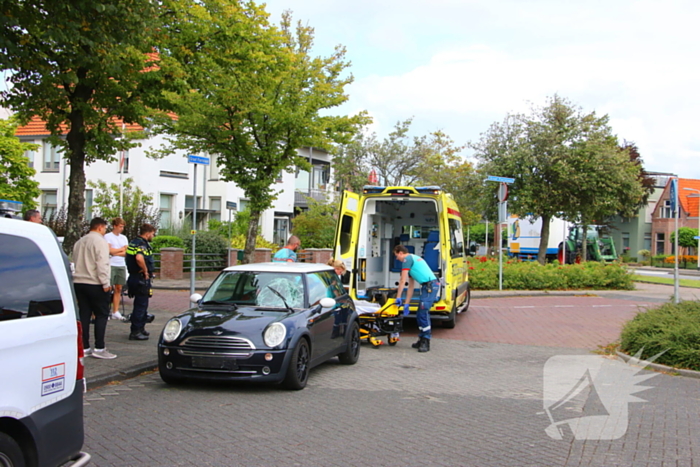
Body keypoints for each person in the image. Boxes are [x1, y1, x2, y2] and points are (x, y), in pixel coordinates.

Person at [73, 217, 117, 359]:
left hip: (79, 282)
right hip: (95, 283)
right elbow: (102, 263)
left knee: (84, 314)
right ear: (99, 227)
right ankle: (99, 347)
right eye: (104, 228)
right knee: (101, 314)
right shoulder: (100, 242)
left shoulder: (79, 242)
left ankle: (84, 347)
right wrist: (106, 283)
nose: (105, 231)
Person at [394, 244, 439, 353]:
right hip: (428, 286)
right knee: (420, 314)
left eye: (396, 256)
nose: (397, 258)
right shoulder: (412, 259)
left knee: (423, 312)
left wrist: (398, 297)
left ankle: (426, 340)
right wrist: (406, 304)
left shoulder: (407, 259)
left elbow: (402, 280)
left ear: (401, 253)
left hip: (430, 286)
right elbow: (411, 286)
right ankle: (422, 338)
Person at [125, 223, 156, 340]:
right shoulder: (142, 244)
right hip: (140, 278)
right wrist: (145, 271)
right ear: (148, 233)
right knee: (141, 305)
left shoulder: (133, 242)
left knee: (142, 304)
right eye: (153, 234)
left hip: (134, 276)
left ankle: (141, 328)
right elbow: (139, 258)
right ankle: (136, 331)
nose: (153, 236)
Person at [104, 217, 128, 320]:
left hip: (121, 264)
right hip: (111, 264)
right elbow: (109, 251)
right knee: (108, 288)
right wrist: (120, 250)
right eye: (120, 226)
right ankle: (105, 311)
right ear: (115, 226)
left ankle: (115, 311)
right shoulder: (107, 237)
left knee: (119, 288)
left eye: (123, 227)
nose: (122, 228)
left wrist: (116, 251)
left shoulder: (124, 238)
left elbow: (126, 252)